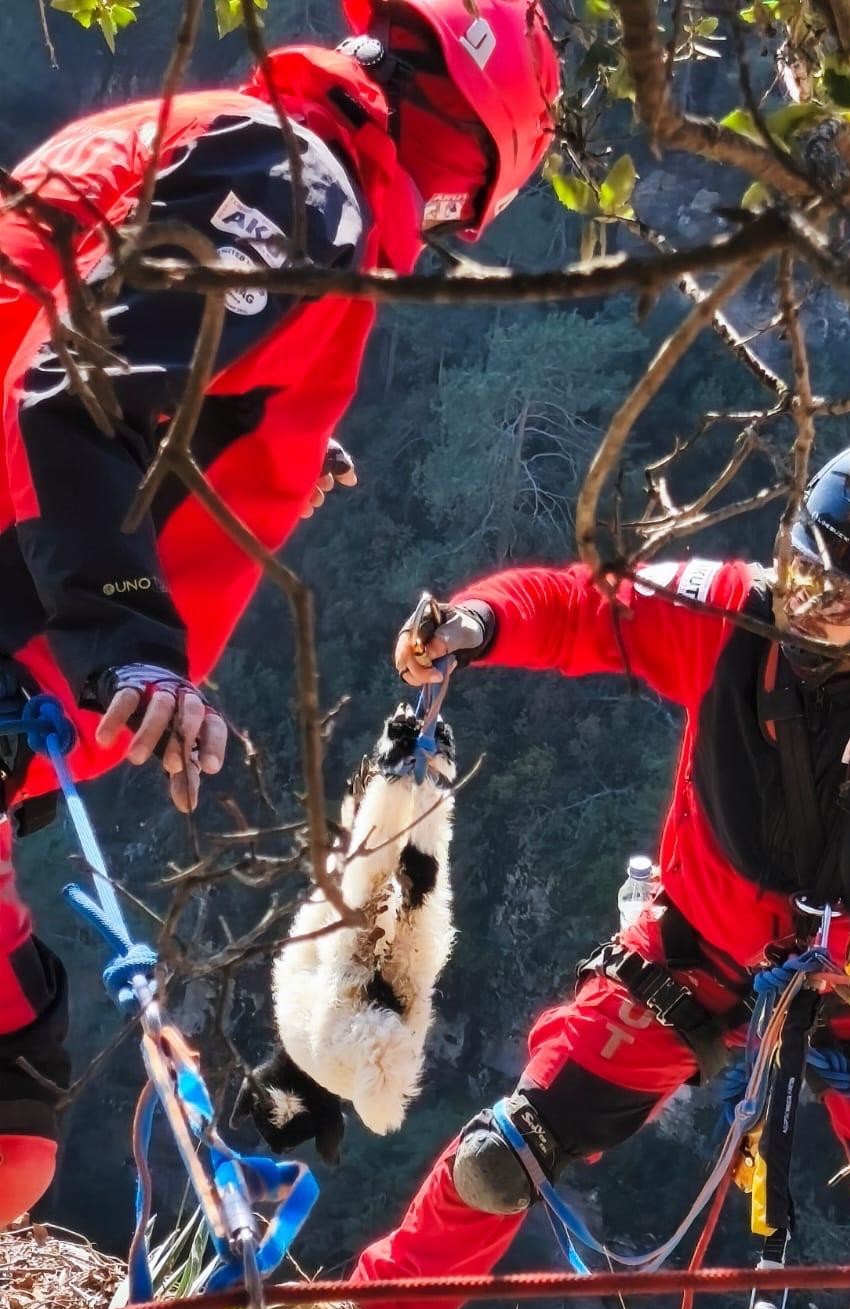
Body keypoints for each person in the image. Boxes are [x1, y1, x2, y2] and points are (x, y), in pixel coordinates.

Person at [246, 437, 850, 1309]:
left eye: (843, 598)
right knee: (508, 1154)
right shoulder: (731, 615)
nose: (809, 610)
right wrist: (480, 620)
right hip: (699, 947)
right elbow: (584, 604)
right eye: (805, 575)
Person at [0, 0, 560, 1228]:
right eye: (467, 211)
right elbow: (73, 386)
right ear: (468, 158)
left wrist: (270, 445)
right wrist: (132, 647)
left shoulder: (248, 144)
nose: (448, 233)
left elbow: (113, 349)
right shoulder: (307, 192)